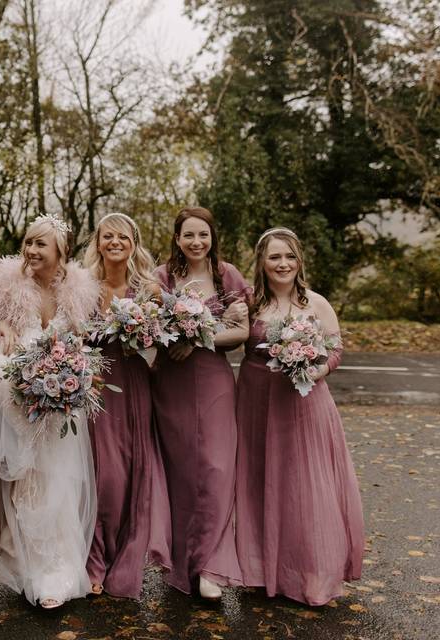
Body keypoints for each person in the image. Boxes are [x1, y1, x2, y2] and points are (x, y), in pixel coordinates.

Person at [233, 227, 364, 606]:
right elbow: (231, 335)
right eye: (274, 257)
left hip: (304, 401)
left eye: (289, 256)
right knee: (260, 480)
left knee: (305, 483)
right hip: (257, 397)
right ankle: (261, 571)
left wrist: (315, 369)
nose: (283, 264)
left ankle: (310, 574)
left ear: (299, 260)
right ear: (261, 262)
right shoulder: (250, 303)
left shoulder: (316, 303)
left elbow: (335, 349)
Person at [0, 215, 100, 608]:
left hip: (63, 405)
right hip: (21, 399)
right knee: (28, 484)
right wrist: (1, 325)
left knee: (62, 481)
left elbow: (80, 342)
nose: (30, 251)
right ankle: (35, 570)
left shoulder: (78, 292)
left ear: (60, 252)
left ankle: (61, 570)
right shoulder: (8, 286)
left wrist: (74, 375)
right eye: (28, 242)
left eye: (40, 245)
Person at [151, 206, 249, 599]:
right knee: (181, 471)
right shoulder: (161, 277)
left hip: (213, 381)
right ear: (177, 239)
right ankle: (182, 562)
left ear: (212, 237)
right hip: (170, 382)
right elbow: (148, 327)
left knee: (216, 468)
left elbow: (241, 332)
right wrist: (172, 337)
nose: (196, 242)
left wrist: (197, 339)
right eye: (188, 235)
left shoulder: (227, 275)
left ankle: (212, 565)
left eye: (203, 235)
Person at [81, 212, 170, 599]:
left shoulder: (148, 288)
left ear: (134, 243)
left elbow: (164, 337)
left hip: (133, 382)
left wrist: (145, 332)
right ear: (97, 242)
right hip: (96, 384)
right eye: (107, 236)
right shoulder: (82, 286)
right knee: (104, 474)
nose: (115, 243)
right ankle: (95, 558)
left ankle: (124, 560)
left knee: (133, 472)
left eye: (123, 237)